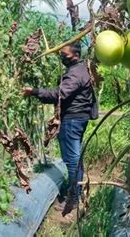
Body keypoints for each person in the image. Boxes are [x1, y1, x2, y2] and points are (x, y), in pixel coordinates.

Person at [22, 41, 98, 216]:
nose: (62, 57)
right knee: (75, 159)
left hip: (72, 120)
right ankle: (76, 193)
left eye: (65, 54)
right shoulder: (80, 69)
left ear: (75, 55)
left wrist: (34, 91)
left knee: (72, 161)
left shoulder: (76, 73)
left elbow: (59, 94)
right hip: (77, 118)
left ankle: (73, 200)